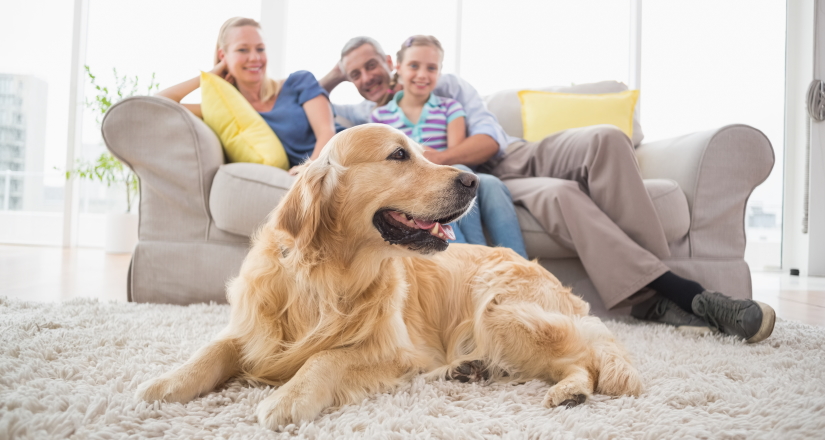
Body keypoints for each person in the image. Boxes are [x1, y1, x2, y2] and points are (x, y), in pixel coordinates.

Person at [319, 36, 776, 343]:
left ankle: (660, 292)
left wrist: (436, 160)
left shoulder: (442, 85)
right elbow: (306, 100)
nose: (366, 78)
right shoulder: (365, 118)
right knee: (561, 198)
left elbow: (488, 140)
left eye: (370, 66)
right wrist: (334, 77)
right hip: (494, 184)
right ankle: (684, 294)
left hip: (514, 155)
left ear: (389, 61)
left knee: (606, 138)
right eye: (354, 75)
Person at [369, 35, 527, 258]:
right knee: (474, 177)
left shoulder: (450, 107)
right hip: (414, 184)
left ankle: (520, 262)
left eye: (431, 68)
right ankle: (472, 258)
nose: (422, 75)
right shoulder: (380, 116)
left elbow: (454, 159)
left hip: (449, 174)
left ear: (440, 72)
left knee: (491, 184)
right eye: (414, 65)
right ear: (399, 67)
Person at [156, 17, 336, 175]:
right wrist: (210, 75)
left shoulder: (299, 81)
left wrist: (309, 169)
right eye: (243, 50)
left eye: (260, 49)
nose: (254, 58)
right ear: (223, 55)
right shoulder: (228, 111)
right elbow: (157, 105)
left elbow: (326, 132)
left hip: (338, 158)